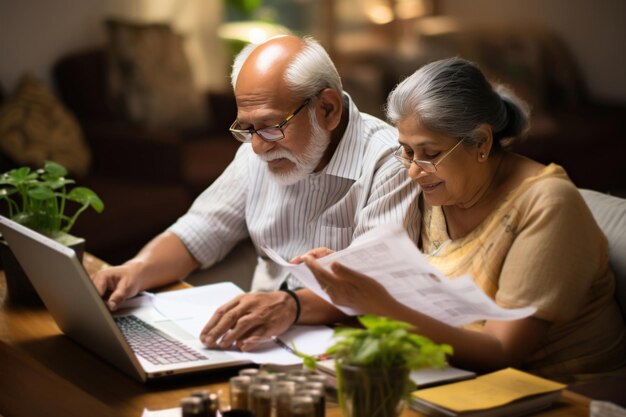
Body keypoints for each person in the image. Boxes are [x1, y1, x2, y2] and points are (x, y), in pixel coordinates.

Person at [290, 57, 626, 383]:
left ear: (480, 142)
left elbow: (501, 352)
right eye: (406, 150)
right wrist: (341, 276)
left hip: (561, 393)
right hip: (454, 378)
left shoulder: (547, 204)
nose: (412, 170)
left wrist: (379, 305)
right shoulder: (434, 189)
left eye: (430, 153)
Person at [91, 35, 420, 350]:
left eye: (271, 126)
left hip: (349, 347)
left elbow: (376, 284)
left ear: (328, 109)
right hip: (258, 339)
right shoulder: (257, 148)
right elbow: (202, 228)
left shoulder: (391, 162)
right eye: (247, 128)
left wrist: (291, 305)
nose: (259, 147)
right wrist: (135, 269)